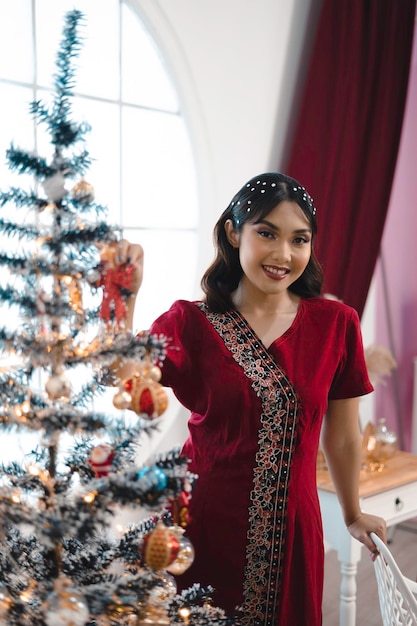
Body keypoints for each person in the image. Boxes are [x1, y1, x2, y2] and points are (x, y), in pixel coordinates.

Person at [114, 172, 387, 625]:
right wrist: (124, 296)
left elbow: (342, 435)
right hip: (203, 526)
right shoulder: (189, 323)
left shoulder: (336, 325)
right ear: (232, 232)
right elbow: (122, 380)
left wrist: (353, 514)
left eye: (299, 239)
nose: (283, 254)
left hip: (294, 532)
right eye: (266, 233)